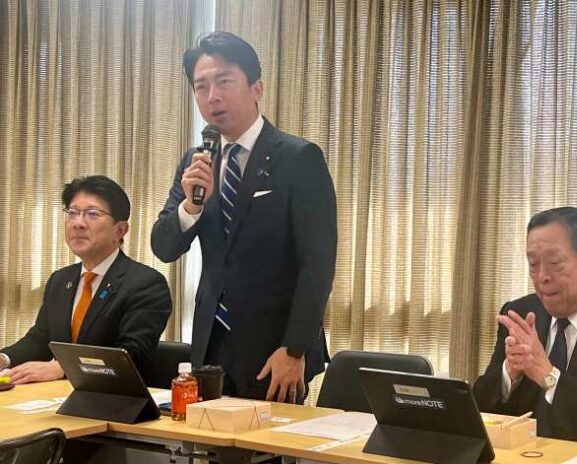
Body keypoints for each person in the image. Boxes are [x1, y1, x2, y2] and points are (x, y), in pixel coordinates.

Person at [152, 31, 336, 404]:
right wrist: (191, 207)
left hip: (276, 351)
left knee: (271, 442)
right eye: (201, 86)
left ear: (256, 88)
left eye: (224, 82)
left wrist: (295, 348)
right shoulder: (196, 161)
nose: (212, 96)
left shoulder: (298, 158)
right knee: (208, 439)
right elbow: (164, 246)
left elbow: (317, 263)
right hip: (211, 345)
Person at [474, 206, 577, 447]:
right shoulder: (521, 313)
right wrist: (510, 374)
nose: (542, 277)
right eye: (533, 264)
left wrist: (549, 376)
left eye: (555, 263)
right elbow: (480, 410)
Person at [0, 175, 172, 384]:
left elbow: (130, 354)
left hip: (115, 397)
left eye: (92, 214)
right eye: (72, 213)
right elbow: (41, 339)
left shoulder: (146, 284)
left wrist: (63, 368)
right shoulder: (60, 280)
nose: (78, 223)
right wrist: (4, 358)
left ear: (120, 230)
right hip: (57, 396)